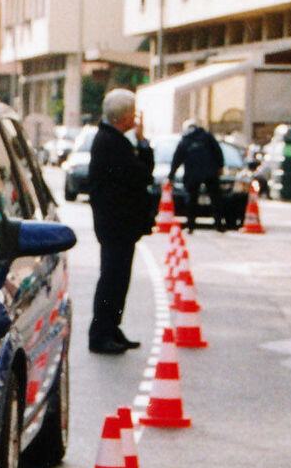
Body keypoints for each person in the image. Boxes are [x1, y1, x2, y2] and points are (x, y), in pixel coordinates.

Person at [86, 88, 155, 355]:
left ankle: (111, 327)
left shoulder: (112, 139)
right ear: (124, 116)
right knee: (112, 278)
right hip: (115, 224)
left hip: (118, 224)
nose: (135, 118)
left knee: (118, 278)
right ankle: (100, 332)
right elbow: (141, 174)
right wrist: (144, 144)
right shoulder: (111, 142)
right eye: (132, 112)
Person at [170, 118, 227, 232]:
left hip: (193, 173)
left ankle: (191, 225)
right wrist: (220, 166)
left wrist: (171, 174)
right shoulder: (207, 136)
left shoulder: (185, 140)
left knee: (192, 199)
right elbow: (218, 151)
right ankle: (218, 223)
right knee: (215, 198)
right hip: (210, 172)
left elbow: (177, 158)